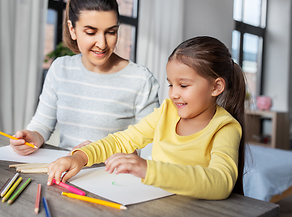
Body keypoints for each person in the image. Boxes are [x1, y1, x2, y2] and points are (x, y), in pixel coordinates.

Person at [47, 36, 246, 200]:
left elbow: (220, 182)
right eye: (170, 84)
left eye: (183, 85)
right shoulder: (167, 111)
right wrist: (81, 157)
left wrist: (148, 169)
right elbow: (124, 140)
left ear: (216, 87)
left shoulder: (225, 127)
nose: (173, 94)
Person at [9, 0, 159, 155]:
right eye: (90, 32)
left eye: (111, 32)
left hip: (114, 178)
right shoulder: (60, 69)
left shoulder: (140, 79)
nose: (102, 44)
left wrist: (98, 153)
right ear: (72, 30)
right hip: (66, 173)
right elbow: (42, 124)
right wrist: (33, 137)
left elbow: (151, 149)